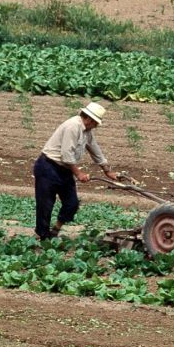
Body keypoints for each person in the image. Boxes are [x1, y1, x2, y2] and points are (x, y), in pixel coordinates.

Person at [34, 102, 116, 242]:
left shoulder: (86, 131)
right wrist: (78, 173)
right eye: (95, 123)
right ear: (89, 119)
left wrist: (107, 171)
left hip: (64, 169)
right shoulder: (73, 126)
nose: (96, 126)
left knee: (72, 203)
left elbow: (94, 149)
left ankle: (55, 230)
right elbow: (66, 155)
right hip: (48, 167)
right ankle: (42, 236)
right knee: (45, 204)